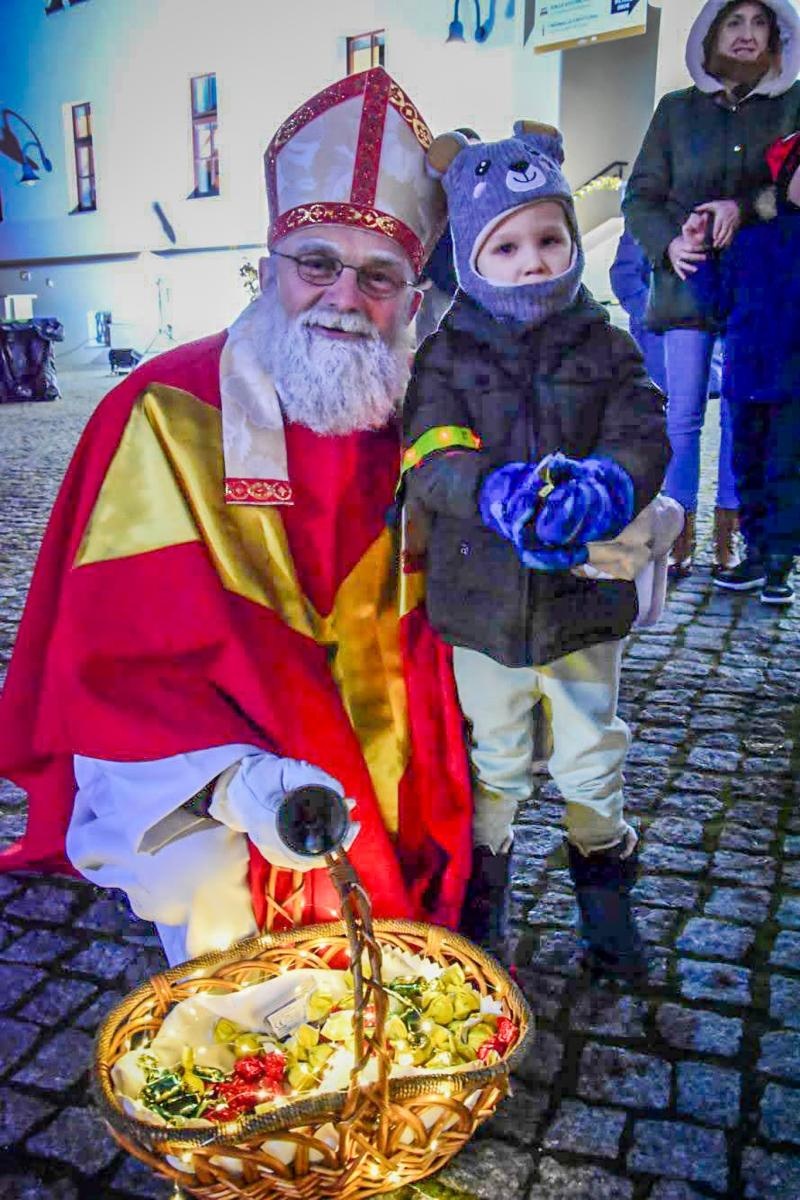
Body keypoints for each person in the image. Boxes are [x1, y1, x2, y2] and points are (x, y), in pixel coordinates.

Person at [0, 67, 475, 967]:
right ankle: (237, 1005)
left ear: (414, 303)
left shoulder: (430, 419)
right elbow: (113, 664)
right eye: (317, 264)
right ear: (266, 273)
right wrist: (240, 781)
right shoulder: (161, 410)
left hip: (379, 744)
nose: (345, 298)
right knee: (204, 875)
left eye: (379, 276)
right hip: (202, 766)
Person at [400, 122, 670, 977]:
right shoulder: (445, 354)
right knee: (497, 757)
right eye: (506, 246)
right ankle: (485, 909)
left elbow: (644, 430)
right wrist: (491, 491)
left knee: (593, 751)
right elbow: (429, 454)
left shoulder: (609, 342)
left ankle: (607, 913)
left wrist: (609, 486)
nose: (532, 261)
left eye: (549, 239)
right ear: (473, 258)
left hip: (584, 605)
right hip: (481, 607)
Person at [623, 0, 800, 577]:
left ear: (776, 35)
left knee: (743, 415)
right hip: (688, 282)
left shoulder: (792, 104)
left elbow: (791, 190)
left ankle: (736, 535)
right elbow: (640, 197)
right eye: (734, 22)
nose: (747, 34)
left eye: (759, 23)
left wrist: (741, 208)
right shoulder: (676, 111)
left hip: (763, 288)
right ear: (712, 34)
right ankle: (678, 533)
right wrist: (669, 244)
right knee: (683, 413)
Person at [688, 131, 800, 604]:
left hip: (794, 384)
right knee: (747, 467)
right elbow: (717, 302)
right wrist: (700, 258)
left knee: (786, 470)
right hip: (747, 378)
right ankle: (755, 554)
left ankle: (779, 563)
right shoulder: (749, 240)